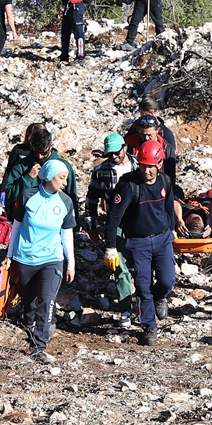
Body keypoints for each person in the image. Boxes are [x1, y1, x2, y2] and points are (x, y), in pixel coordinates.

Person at [104, 141, 184, 346]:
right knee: (143, 286)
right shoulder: (129, 185)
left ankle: (160, 298)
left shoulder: (165, 182)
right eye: (142, 165)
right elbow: (113, 218)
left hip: (162, 239)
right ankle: (149, 326)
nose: (146, 171)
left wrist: (172, 231)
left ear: (159, 164)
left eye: (150, 166)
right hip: (137, 243)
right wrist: (111, 247)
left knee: (167, 280)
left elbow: (168, 210)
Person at [5, 159, 76, 363]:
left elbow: (67, 235)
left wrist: (70, 263)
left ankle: (38, 346)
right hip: (24, 258)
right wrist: (9, 256)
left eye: (66, 179)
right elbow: (16, 227)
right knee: (30, 304)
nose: (65, 183)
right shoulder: (28, 195)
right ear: (49, 176)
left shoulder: (65, 201)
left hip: (52, 259)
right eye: (61, 178)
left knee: (47, 300)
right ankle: (31, 326)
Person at [82, 134, 139, 327]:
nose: (114, 157)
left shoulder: (140, 166)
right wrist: (91, 224)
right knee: (120, 268)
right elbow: (91, 198)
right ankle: (125, 310)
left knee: (141, 268)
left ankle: (141, 304)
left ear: (125, 148)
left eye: (117, 152)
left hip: (140, 224)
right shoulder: (101, 171)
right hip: (115, 225)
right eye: (110, 154)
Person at [1, 127, 78, 220]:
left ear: (51, 146)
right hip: (26, 222)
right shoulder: (21, 166)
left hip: (55, 222)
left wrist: (74, 227)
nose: (39, 156)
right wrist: (27, 179)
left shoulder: (63, 166)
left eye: (44, 153)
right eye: (36, 152)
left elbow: (72, 198)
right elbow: (9, 195)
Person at [125, 115, 178, 185]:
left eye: (150, 135)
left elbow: (170, 176)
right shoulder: (130, 145)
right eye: (143, 135)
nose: (146, 138)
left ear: (157, 130)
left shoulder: (167, 149)